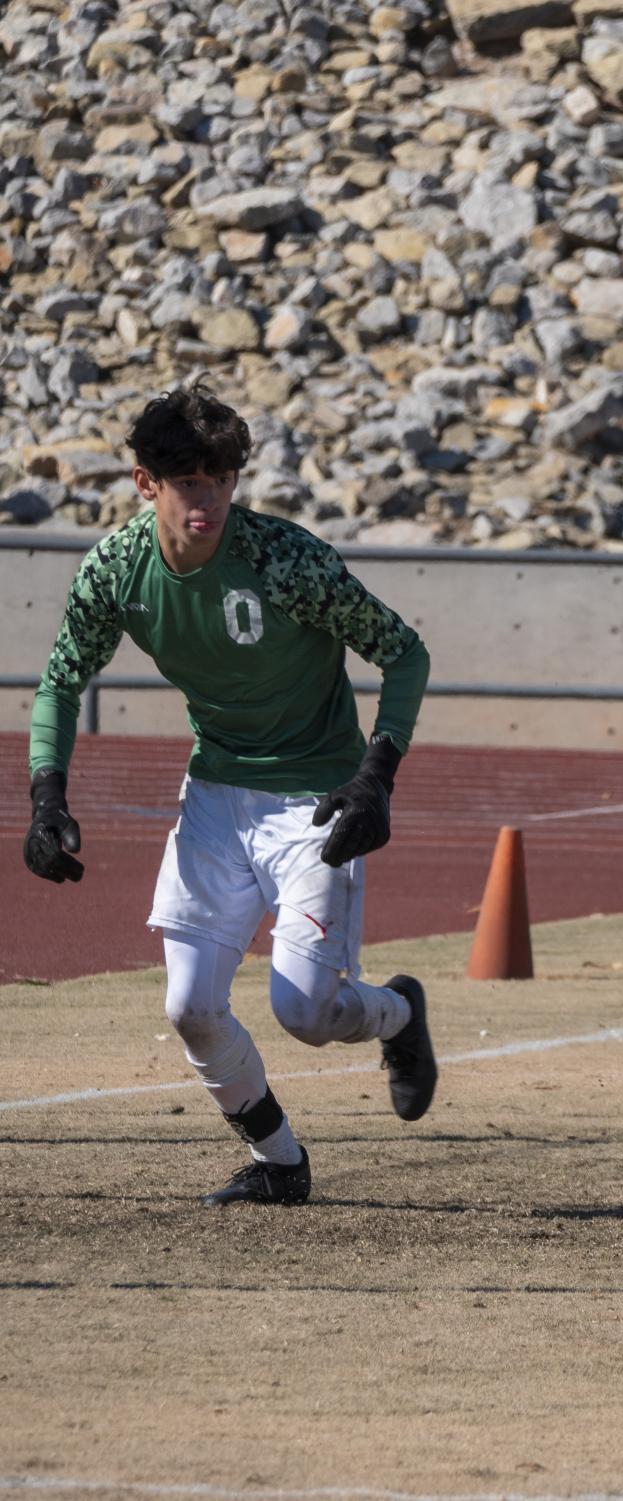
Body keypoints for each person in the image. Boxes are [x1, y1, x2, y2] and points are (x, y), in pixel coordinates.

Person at [23, 380, 436, 1207]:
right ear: (147, 484)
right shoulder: (115, 568)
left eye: (219, 478)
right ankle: (282, 1163)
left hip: (314, 798)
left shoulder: (286, 559)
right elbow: (62, 678)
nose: (205, 498)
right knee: (189, 1007)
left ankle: (397, 1012)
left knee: (305, 1013)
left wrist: (374, 777)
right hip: (215, 792)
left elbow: (404, 652)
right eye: (186, 482)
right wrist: (45, 795)